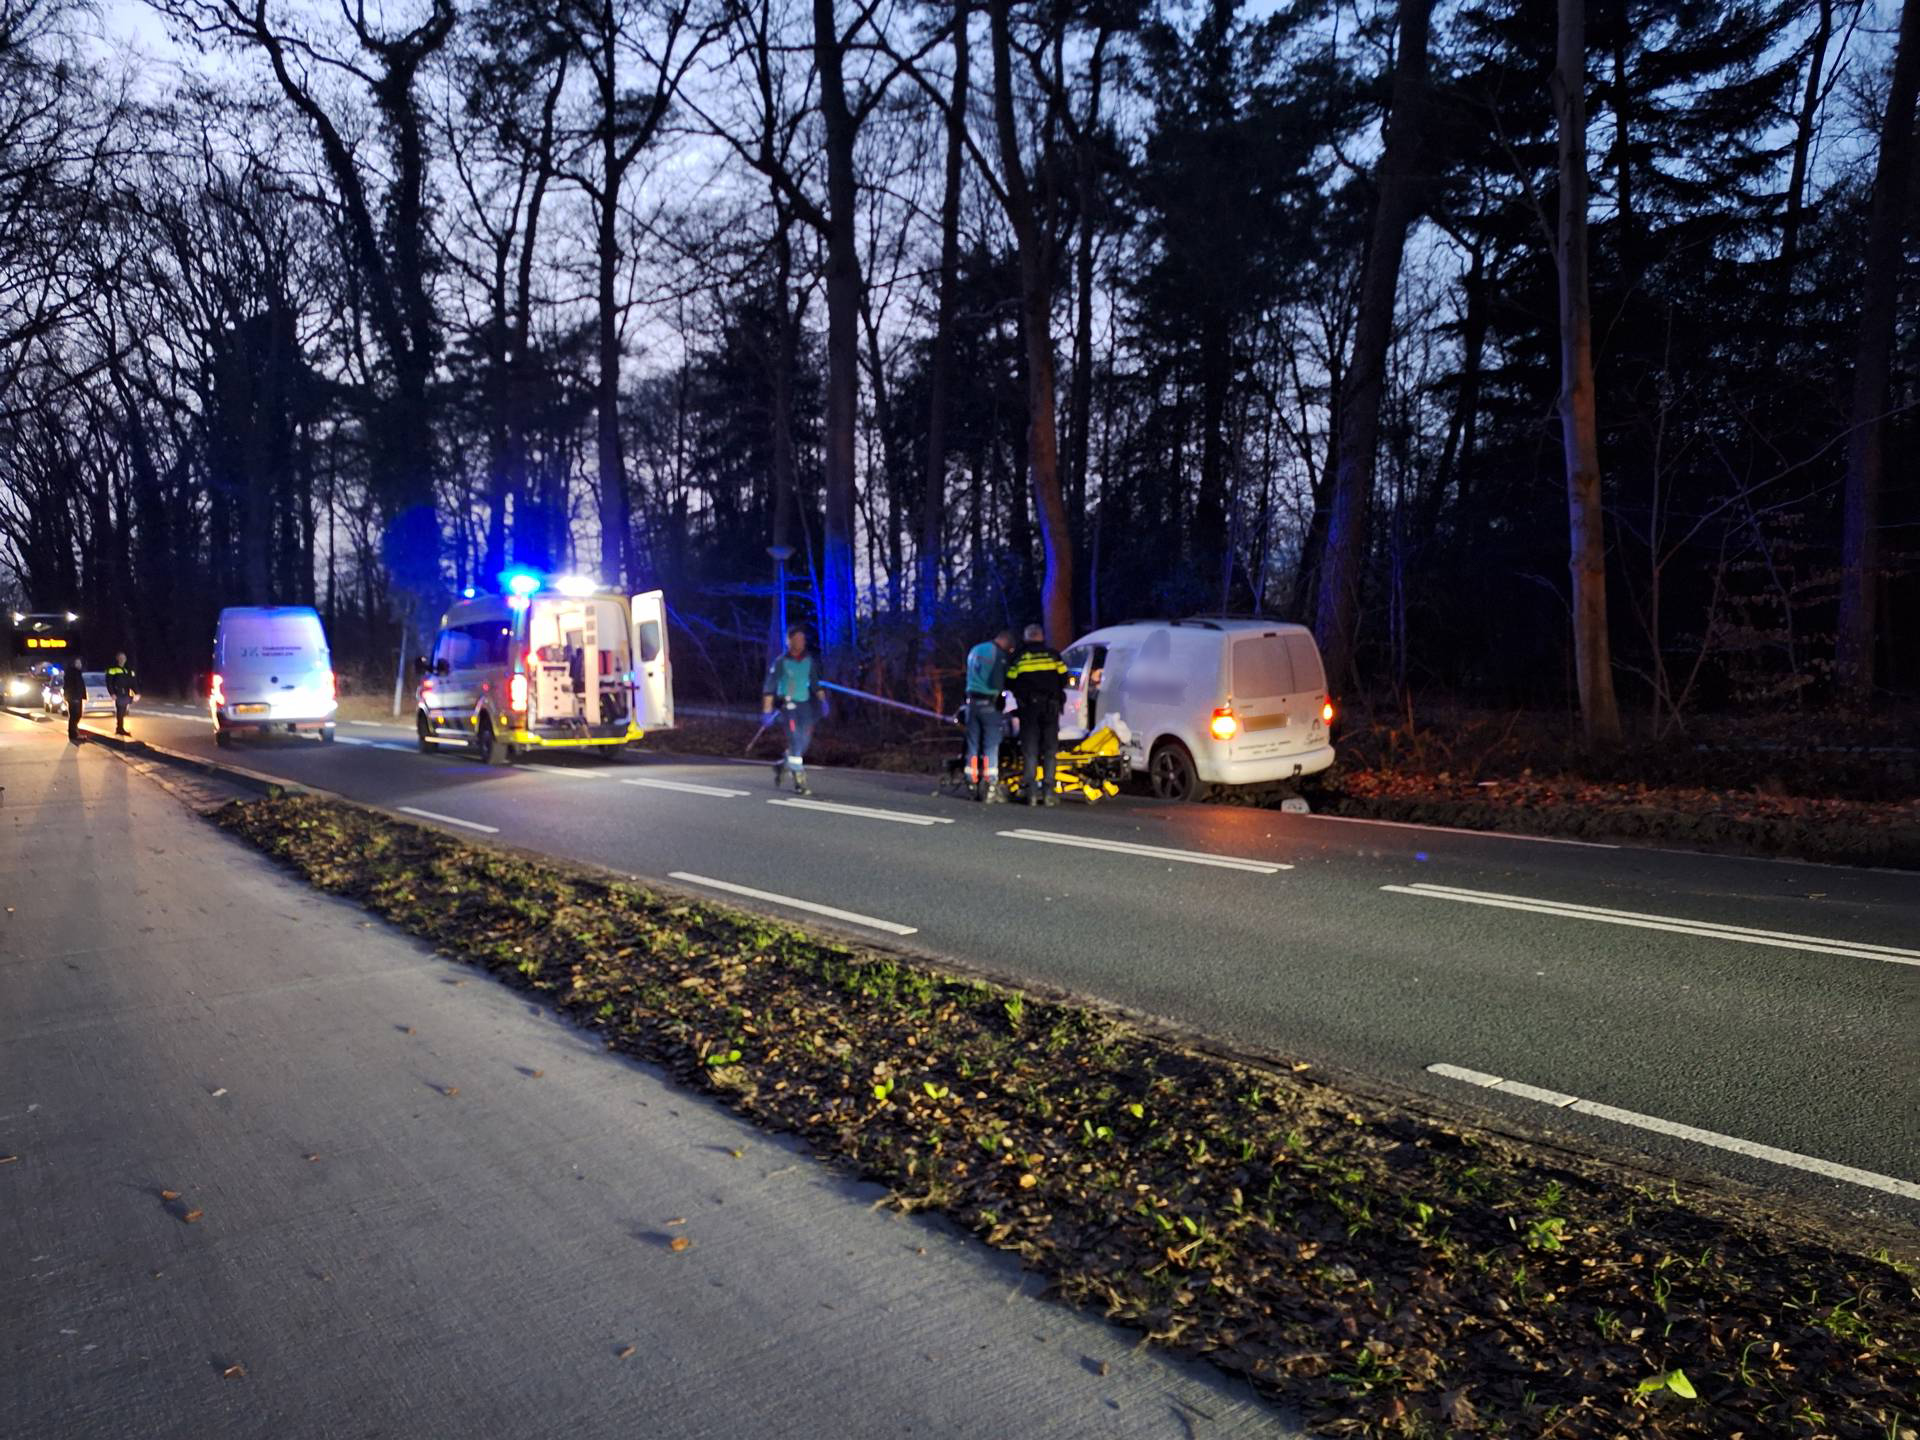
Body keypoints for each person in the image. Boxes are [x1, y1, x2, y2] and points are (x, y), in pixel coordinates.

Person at [1006, 624, 1069, 806]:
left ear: (1026, 638)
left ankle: (1031, 793)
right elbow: (1064, 679)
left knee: (1030, 750)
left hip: (1029, 709)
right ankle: (1049, 792)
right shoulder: (1053, 655)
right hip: (1051, 708)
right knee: (1050, 750)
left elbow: (1009, 681)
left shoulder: (1019, 657)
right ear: (1042, 637)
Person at [761, 626, 827, 796]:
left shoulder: (808, 661)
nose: (801, 642)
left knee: (804, 742)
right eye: (797, 639)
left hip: (805, 707)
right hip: (788, 707)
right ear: (789, 641)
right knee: (796, 742)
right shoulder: (781, 662)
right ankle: (799, 780)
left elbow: (815, 683)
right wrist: (767, 711)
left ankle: (782, 765)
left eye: (803, 639)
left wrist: (823, 701)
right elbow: (769, 687)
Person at [963, 628, 1014, 802]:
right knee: (991, 745)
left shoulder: (976, 650)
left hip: (971, 703)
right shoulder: (998, 655)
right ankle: (990, 786)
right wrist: (1001, 697)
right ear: (1006, 643)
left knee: (972, 744)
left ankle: (971, 783)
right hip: (989, 704)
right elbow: (998, 681)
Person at [106, 651, 137, 736]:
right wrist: (112, 693)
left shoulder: (128, 669)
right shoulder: (113, 669)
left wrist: (137, 692)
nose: (122, 659)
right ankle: (119, 729)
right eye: (120, 658)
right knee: (120, 711)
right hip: (118, 693)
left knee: (123, 711)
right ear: (117, 659)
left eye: (123, 658)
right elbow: (109, 682)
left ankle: (120, 728)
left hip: (126, 693)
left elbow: (132, 682)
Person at [62, 655, 86, 744]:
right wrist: (72, 697)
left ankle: (74, 732)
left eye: (80, 663)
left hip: (77, 696)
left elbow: (81, 685)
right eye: (78, 663)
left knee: (77, 715)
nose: (80, 664)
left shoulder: (78, 672)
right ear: (74, 664)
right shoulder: (71, 673)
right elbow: (70, 686)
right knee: (75, 715)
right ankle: (73, 734)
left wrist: (83, 696)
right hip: (73, 697)